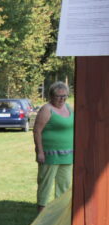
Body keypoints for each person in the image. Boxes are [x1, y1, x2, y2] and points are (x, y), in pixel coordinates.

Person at [33, 81, 73, 212]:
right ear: (51, 96)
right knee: (45, 185)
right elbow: (37, 131)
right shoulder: (46, 109)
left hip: (67, 155)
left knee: (64, 186)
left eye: (64, 96)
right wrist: (39, 152)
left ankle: (59, 216)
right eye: (58, 96)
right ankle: (41, 217)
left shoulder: (69, 108)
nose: (62, 99)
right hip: (49, 155)